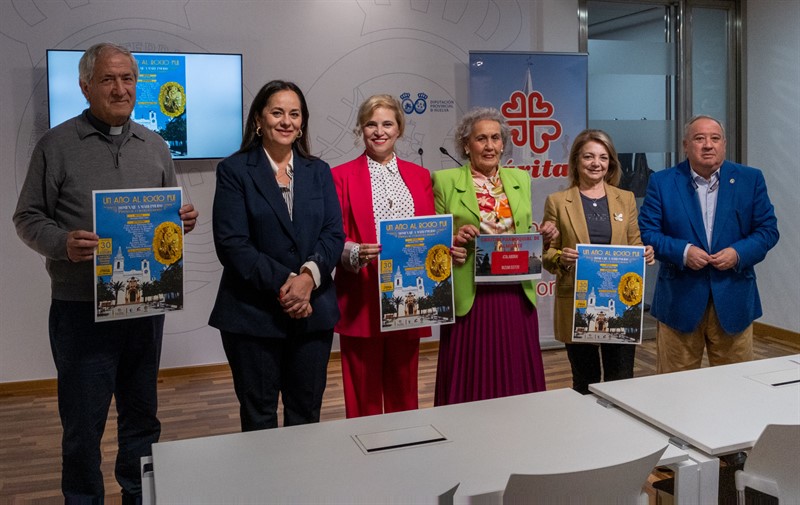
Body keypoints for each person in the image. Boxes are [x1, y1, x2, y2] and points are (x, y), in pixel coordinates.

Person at [12, 42, 198, 503]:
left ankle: (139, 495)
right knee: (82, 425)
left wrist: (179, 221)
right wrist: (62, 243)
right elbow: (27, 217)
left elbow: (166, 215)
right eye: (108, 79)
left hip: (145, 309)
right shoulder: (55, 145)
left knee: (142, 419)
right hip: (81, 311)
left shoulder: (155, 145)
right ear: (85, 86)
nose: (120, 89)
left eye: (128, 79)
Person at [208, 80, 344, 431]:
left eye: (294, 114)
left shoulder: (319, 171)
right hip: (253, 316)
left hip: (313, 315)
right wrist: (290, 284)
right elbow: (232, 244)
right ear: (259, 119)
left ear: (302, 123)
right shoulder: (234, 170)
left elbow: (333, 234)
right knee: (259, 419)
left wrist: (308, 278)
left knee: (306, 416)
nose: (286, 121)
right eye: (277, 113)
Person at [431, 107, 557, 405]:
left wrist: (543, 235)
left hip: (515, 293)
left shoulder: (520, 178)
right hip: (471, 294)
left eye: (495, 138)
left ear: (503, 144)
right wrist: (453, 240)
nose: (489, 146)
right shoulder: (444, 180)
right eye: (481, 139)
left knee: (516, 376)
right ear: (466, 145)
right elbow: (434, 240)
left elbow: (522, 231)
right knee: (471, 377)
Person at [638, 115, 779, 373]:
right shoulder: (663, 182)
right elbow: (648, 232)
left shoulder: (750, 179)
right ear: (685, 145)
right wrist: (683, 252)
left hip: (734, 299)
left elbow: (767, 230)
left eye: (715, 138)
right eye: (699, 138)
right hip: (679, 302)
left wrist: (738, 253)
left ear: (724, 144)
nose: (708, 145)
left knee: (735, 385)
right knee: (675, 387)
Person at [331, 95, 435, 418]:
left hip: (408, 292)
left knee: (404, 388)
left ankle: (405, 443)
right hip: (361, 292)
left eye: (387, 124)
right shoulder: (340, 176)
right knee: (363, 393)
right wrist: (353, 251)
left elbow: (430, 232)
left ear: (399, 129)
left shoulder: (420, 176)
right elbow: (332, 235)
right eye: (371, 124)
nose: (379, 131)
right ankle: (364, 447)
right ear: (361, 129)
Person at [542, 129, 655, 394]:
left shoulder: (625, 199)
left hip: (620, 304)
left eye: (603, 157)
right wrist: (561, 257)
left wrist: (645, 254)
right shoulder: (557, 202)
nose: (596, 163)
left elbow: (635, 244)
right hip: (580, 304)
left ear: (610, 163)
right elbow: (547, 255)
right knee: (585, 382)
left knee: (621, 381)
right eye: (588, 156)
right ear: (576, 161)